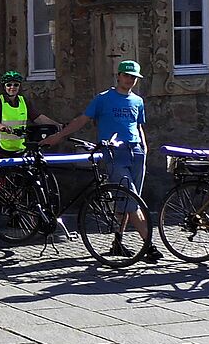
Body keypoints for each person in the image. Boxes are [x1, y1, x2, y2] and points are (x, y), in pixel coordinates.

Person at [44, 59, 162, 262]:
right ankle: (148, 245)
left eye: (133, 77)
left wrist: (144, 145)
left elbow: (138, 126)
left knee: (124, 201)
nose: (130, 80)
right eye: (126, 75)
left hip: (136, 153)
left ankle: (117, 242)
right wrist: (60, 135)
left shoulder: (137, 101)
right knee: (131, 200)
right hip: (113, 153)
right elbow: (83, 119)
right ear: (118, 76)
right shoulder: (103, 99)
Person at [0, 70, 56, 155]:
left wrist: (56, 125)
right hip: (0, 148)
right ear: (4, 87)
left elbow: (38, 117)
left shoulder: (23, 101)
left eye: (16, 85)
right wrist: (3, 127)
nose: (12, 87)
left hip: (19, 147)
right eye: (9, 85)